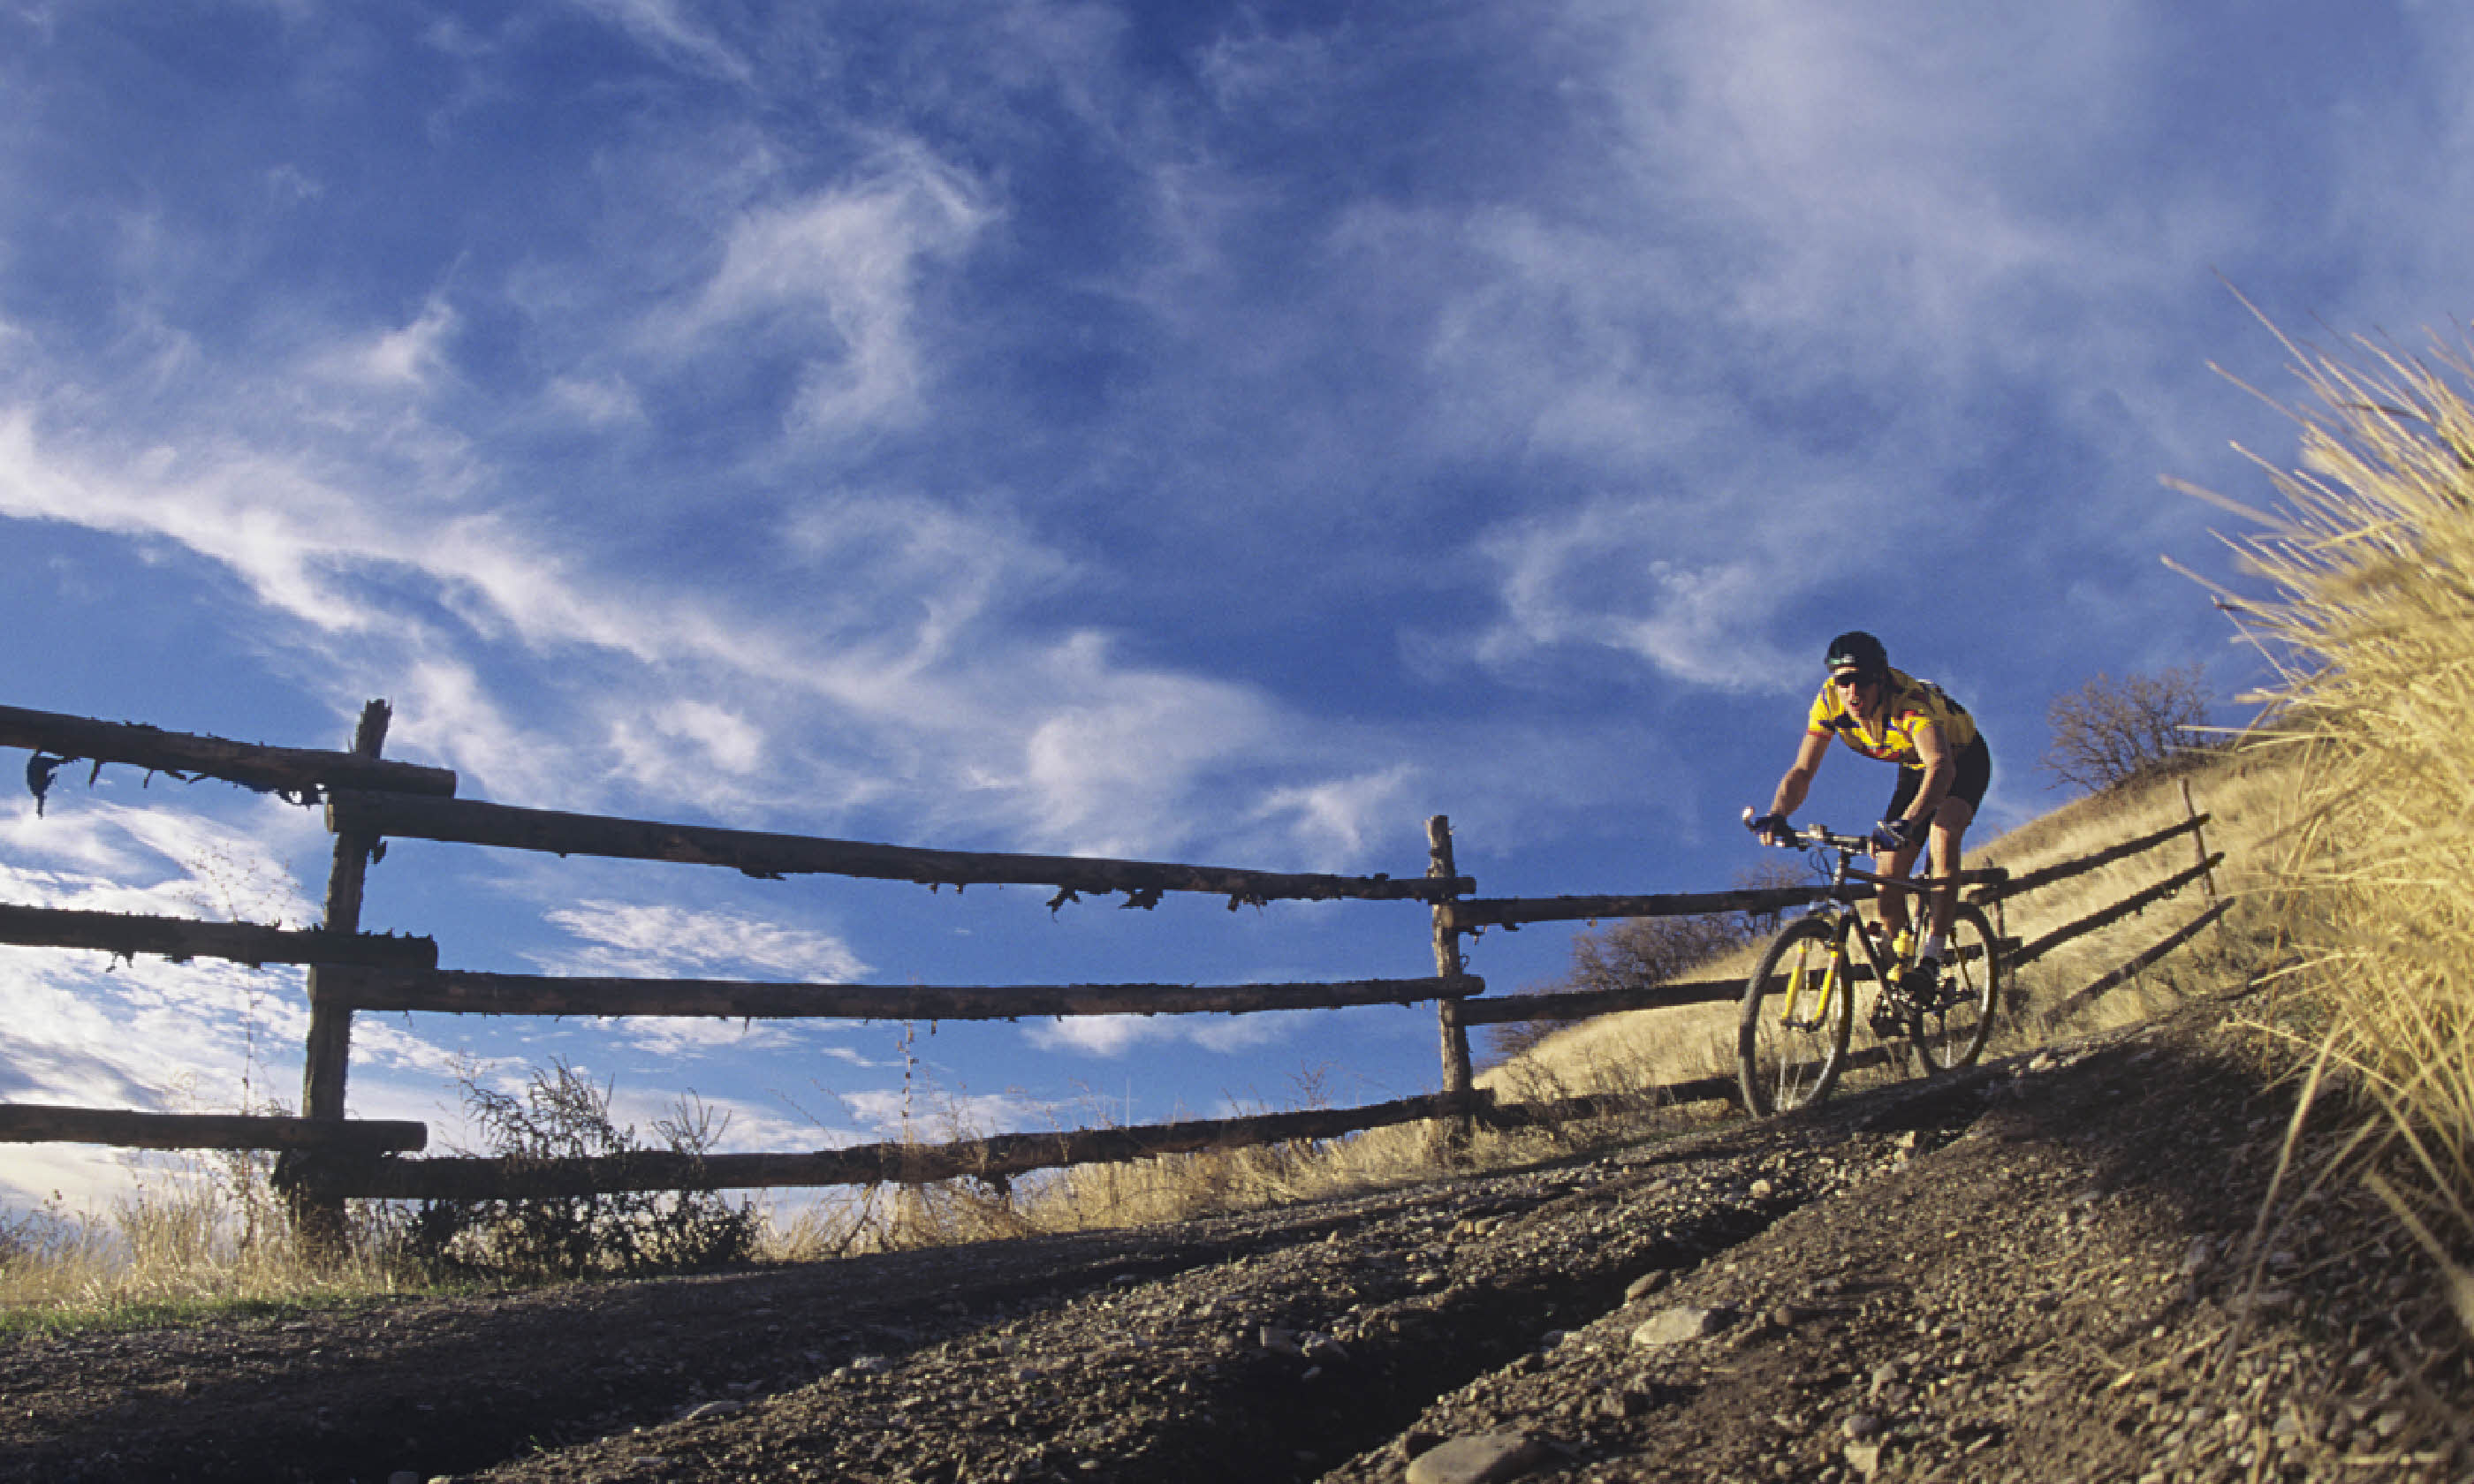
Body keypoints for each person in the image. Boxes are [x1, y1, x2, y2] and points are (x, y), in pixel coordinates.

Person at [1747, 632, 1992, 1014]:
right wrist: (1778, 815)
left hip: (1958, 762)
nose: (1852, 690)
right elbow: (1802, 770)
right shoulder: (1829, 702)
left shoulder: (1909, 704)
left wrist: (1909, 823)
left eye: (1861, 679)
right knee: (1887, 873)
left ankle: (1931, 958)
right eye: (1843, 680)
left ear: (1881, 679)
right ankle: (1900, 970)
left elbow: (1941, 767)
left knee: (1943, 832)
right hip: (1914, 770)